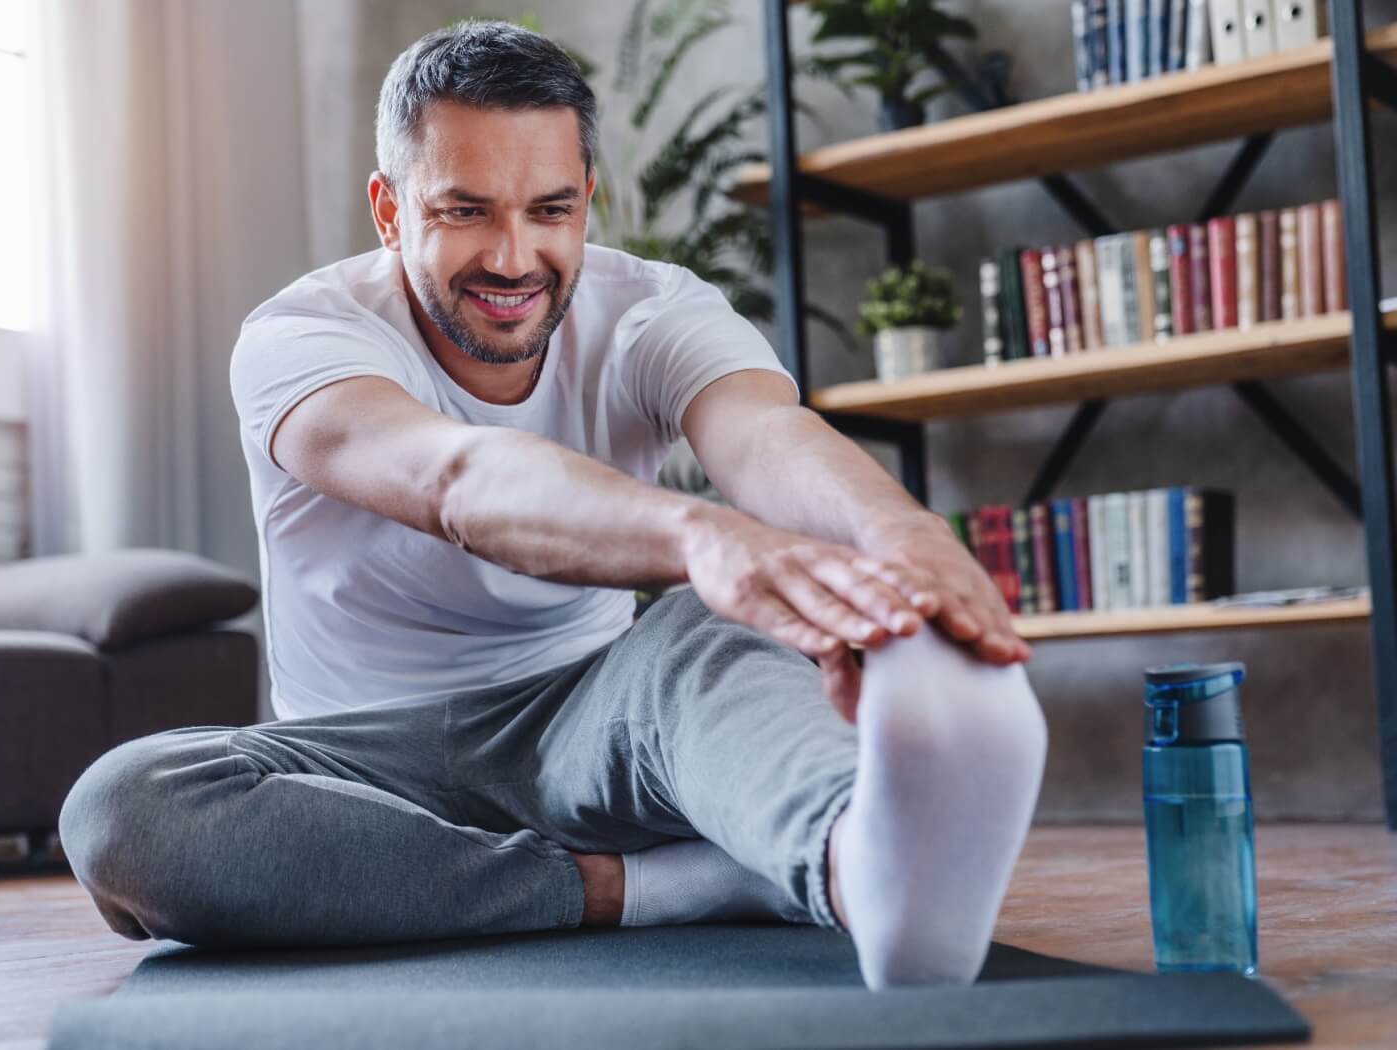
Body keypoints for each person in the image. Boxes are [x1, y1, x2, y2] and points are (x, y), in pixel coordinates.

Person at [58, 19, 1048, 990]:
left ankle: (854, 858)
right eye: (464, 211)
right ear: (389, 211)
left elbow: (761, 436)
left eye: (549, 210)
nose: (513, 257)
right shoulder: (301, 338)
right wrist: (697, 532)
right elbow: (457, 481)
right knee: (124, 812)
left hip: (598, 726)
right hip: (361, 766)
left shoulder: (653, 311)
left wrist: (903, 537)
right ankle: (667, 885)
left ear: (587, 204)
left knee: (714, 628)